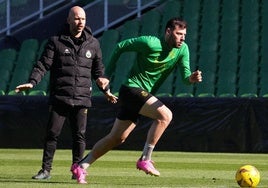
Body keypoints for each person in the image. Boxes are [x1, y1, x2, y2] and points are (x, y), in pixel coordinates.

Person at [71, 17, 202, 184]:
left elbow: (185, 77)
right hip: (131, 90)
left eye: (184, 34)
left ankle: (81, 166)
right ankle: (145, 159)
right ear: (168, 32)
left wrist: (191, 78)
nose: (182, 38)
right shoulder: (150, 42)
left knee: (117, 138)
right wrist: (106, 74)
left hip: (140, 95)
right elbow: (120, 46)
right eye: (178, 34)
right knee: (165, 116)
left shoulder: (183, 49)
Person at [15, 6, 117, 180]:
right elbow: (42, 65)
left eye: (83, 19)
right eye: (77, 19)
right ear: (69, 20)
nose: (80, 22)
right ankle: (45, 171)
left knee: (79, 136)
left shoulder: (93, 43)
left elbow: (99, 72)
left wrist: (105, 89)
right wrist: (32, 82)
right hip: (60, 96)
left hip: (82, 98)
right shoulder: (56, 41)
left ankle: (77, 170)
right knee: (52, 134)